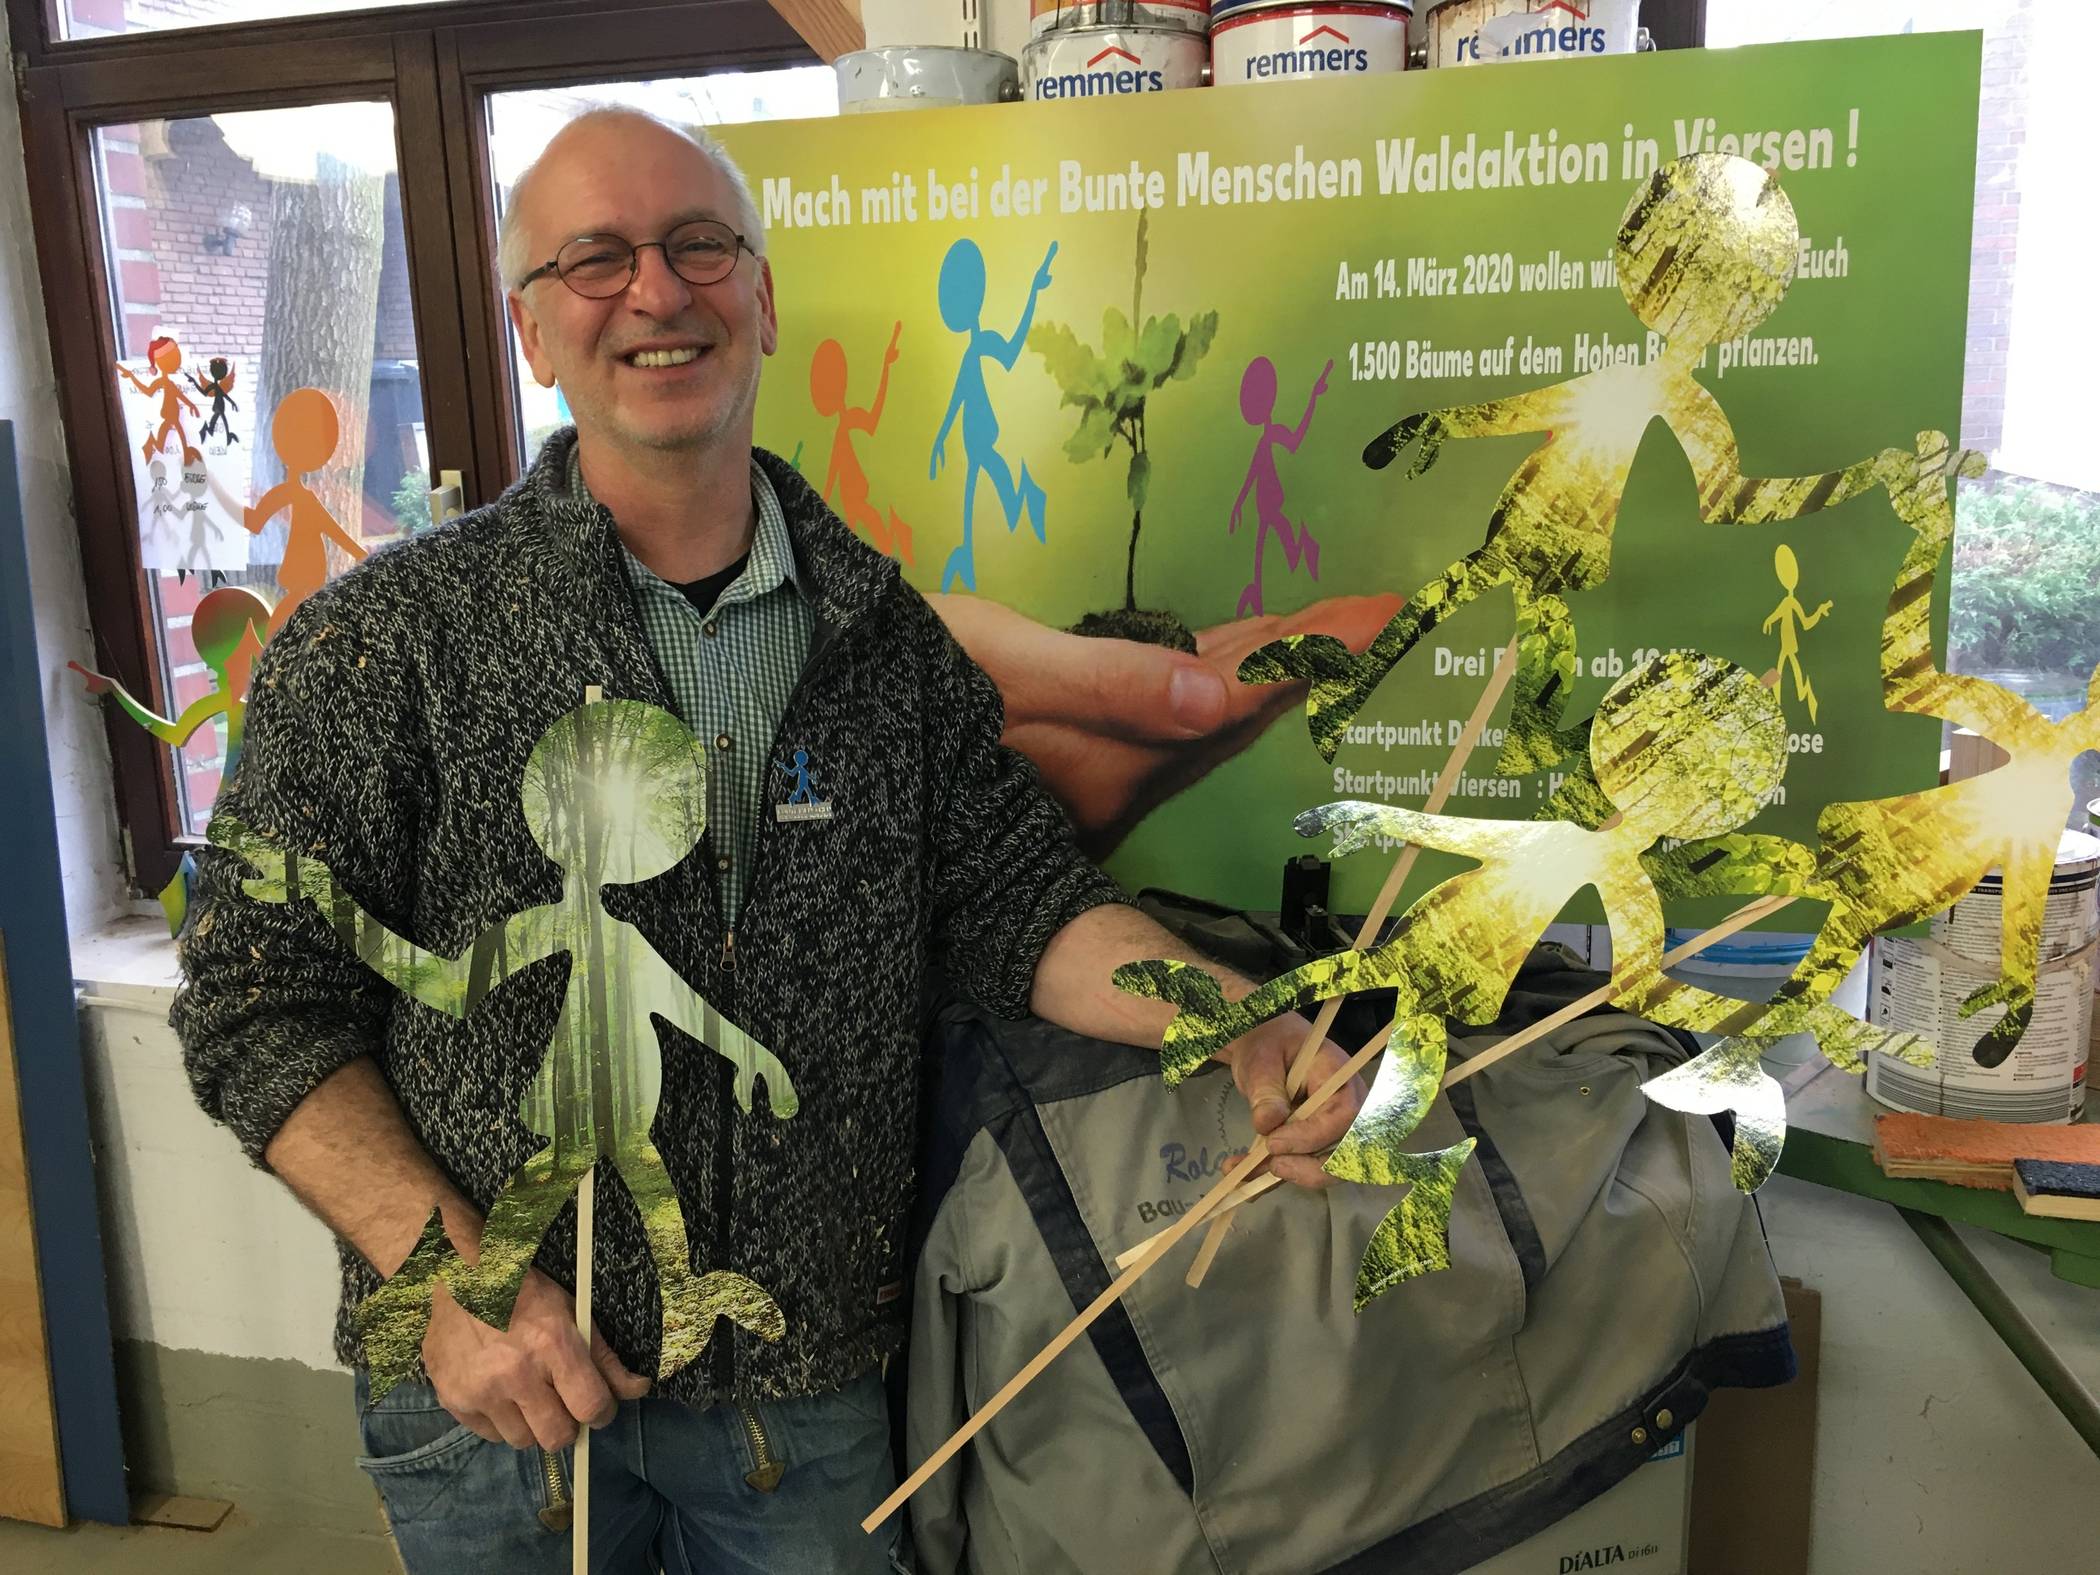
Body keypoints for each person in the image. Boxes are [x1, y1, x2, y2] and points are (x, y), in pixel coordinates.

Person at [171, 108, 1363, 1575]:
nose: (659, 294)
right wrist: (443, 1280)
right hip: (499, 1408)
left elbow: (1019, 906)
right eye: (594, 261)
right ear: (530, 330)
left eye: (698, 245)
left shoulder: (888, 644)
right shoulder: (382, 645)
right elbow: (255, 1000)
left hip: (807, 1411)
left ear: (764, 293)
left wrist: (1234, 1021)